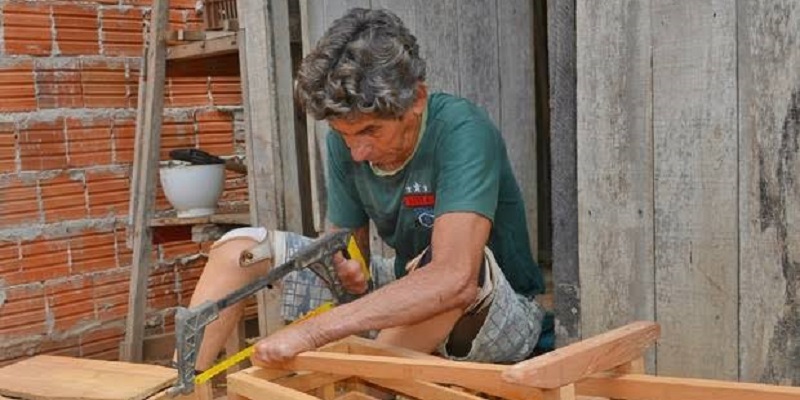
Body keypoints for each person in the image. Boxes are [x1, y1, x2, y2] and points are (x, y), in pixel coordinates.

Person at [182, 7, 550, 371]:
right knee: (240, 250)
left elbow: (455, 279)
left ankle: (365, 387)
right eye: (345, 135)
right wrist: (345, 265)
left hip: (497, 313)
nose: (357, 152)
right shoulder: (345, 142)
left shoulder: (462, 129)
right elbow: (342, 248)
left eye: (370, 131)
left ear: (417, 99)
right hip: (409, 286)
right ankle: (178, 389)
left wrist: (313, 333)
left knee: (446, 275)